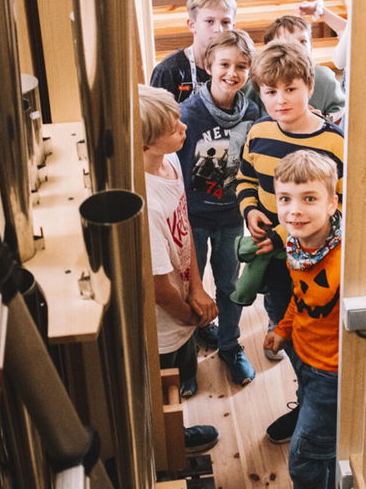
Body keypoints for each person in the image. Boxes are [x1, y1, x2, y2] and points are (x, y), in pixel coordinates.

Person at [233, 44, 345, 444]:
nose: (280, 100)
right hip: (272, 260)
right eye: (270, 91)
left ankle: (322, 407)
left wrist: (282, 233)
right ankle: (307, 401)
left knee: (315, 329)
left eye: (290, 89)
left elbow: (339, 205)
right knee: (285, 326)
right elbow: (245, 179)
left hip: (315, 261)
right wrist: (250, 211)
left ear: (309, 88)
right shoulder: (259, 132)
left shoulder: (334, 143)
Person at [177, 29, 266, 386]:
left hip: (231, 216)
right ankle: (186, 357)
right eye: (224, 64)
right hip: (194, 219)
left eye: (241, 66)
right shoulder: (188, 113)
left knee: (229, 284)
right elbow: (177, 168)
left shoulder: (253, 112)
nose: (232, 73)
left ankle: (229, 344)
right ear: (209, 66)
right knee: (190, 287)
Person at [138, 84, 222, 453]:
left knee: (184, 367)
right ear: (145, 145)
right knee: (160, 394)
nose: (184, 128)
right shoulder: (146, 204)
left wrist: (197, 288)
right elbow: (158, 286)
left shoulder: (170, 162)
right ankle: (171, 443)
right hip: (165, 322)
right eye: (173, 128)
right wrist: (188, 314)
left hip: (185, 304)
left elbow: (184, 226)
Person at [262, 150, 344, 489]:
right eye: (285, 198)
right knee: (318, 442)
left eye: (309, 198)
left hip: (332, 372)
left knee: (304, 459)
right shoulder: (296, 244)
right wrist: (283, 329)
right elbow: (302, 296)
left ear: (331, 203)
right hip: (303, 354)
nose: (294, 210)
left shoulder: (345, 259)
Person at [150, 0, 237, 102]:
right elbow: (155, 113)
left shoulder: (240, 70)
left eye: (225, 22)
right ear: (192, 25)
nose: (218, 29)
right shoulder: (169, 70)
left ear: (233, 27)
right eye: (210, 21)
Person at [256, 17, 347, 124]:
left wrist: (324, 119)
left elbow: (341, 109)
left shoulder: (324, 77)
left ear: (311, 47)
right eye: (286, 43)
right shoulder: (259, 78)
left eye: (302, 41)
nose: (297, 48)